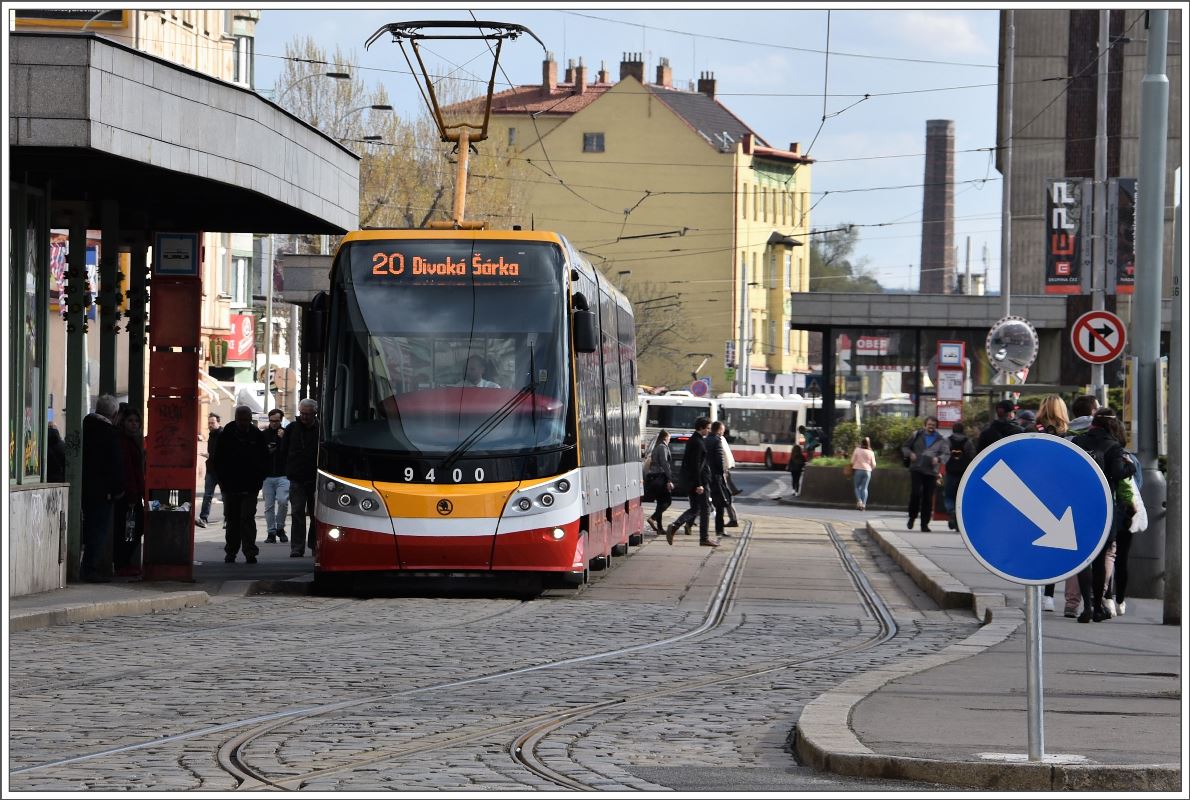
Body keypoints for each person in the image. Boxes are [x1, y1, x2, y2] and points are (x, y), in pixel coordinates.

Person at [1071, 408, 1134, 623]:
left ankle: (1086, 607)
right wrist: (1130, 469)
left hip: (1079, 506)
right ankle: (1098, 606)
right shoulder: (1113, 446)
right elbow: (1117, 473)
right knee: (1099, 560)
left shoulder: (1078, 442)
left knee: (1083, 559)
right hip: (1104, 507)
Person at [1059, 394, 1098, 617]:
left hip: (1068, 500)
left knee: (1074, 553)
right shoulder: (1100, 435)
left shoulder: (1066, 437)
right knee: (1100, 552)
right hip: (1093, 501)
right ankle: (1098, 601)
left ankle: (1071, 603)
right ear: (1093, 411)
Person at [214, 405, 267, 564]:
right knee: (232, 520)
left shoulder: (256, 435)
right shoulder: (226, 435)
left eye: (246, 420)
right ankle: (232, 551)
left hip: (250, 486)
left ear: (250, 419)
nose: (243, 423)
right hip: (231, 486)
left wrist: (258, 482)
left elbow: (263, 460)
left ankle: (249, 551)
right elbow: (218, 460)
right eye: (241, 420)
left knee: (246, 518)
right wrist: (223, 483)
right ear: (236, 419)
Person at [80, 394, 125, 582]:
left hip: (85, 487)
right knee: (98, 530)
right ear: (114, 414)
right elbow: (115, 466)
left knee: (90, 528)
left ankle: (87, 567)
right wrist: (117, 490)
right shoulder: (109, 433)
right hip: (102, 492)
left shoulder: (86, 426)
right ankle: (90, 569)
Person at [1034, 395, 1071, 612]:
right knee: (1054, 545)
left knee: (1034, 543)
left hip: (1035, 491)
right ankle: (1048, 595)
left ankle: (1034, 589)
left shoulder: (1034, 430)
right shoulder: (1068, 435)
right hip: (1059, 494)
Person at [665, 416, 717, 548]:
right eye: (708, 428)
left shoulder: (695, 440)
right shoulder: (697, 442)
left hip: (692, 481)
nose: (709, 431)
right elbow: (696, 465)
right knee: (704, 509)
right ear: (701, 428)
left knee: (695, 508)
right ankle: (704, 538)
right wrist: (699, 483)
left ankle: (675, 526)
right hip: (699, 482)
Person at [283, 398, 321, 558]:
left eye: (307, 414)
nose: (304, 417)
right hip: (297, 478)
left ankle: (313, 545)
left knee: (315, 515)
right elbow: (283, 450)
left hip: (315, 479)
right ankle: (297, 547)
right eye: (302, 413)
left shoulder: (321, 429)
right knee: (297, 512)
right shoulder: (292, 428)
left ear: (315, 413)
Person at [112, 407, 146, 577]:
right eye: (130, 421)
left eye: (136, 421)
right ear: (123, 422)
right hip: (128, 494)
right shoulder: (124, 441)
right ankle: (121, 563)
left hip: (133, 492)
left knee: (131, 528)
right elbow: (128, 470)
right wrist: (133, 493)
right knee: (129, 528)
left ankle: (123, 562)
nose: (134, 424)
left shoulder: (133, 440)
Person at [901, 416, 949, 532]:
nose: (931, 427)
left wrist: (938, 459)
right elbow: (905, 447)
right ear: (925, 425)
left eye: (933, 425)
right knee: (915, 494)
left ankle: (924, 524)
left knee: (928, 498)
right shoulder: (916, 435)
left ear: (936, 426)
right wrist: (910, 454)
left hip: (931, 471)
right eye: (929, 424)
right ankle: (912, 517)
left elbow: (946, 454)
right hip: (916, 468)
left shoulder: (941, 439)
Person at [261, 408, 290, 544]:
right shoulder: (263, 435)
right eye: (271, 421)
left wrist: (283, 439)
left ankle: (280, 527)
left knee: (283, 501)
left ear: (281, 420)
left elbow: (290, 451)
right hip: (267, 476)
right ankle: (271, 532)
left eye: (276, 421)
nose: (274, 423)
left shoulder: (286, 433)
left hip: (283, 474)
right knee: (268, 506)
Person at [942, 423, 975, 530]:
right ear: (963, 430)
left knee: (948, 496)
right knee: (960, 497)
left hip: (951, 472)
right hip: (963, 473)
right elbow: (972, 455)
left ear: (953, 430)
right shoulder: (968, 442)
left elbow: (944, 455)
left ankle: (951, 511)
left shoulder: (947, 441)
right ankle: (958, 522)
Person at [704, 421, 730, 539]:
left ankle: (688, 524)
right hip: (716, 477)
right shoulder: (717, 441)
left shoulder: (705, 440)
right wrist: (722, 473)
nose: (723, 432)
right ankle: (719, 530)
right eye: (722, 429)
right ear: (719, 429)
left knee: (702, 503)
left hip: (705, 475)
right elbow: (719, 459)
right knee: (720, 504)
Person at [645, 430, 674, 533]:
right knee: (667, 501)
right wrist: (670, 478)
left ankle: (660, 528)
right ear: (665, 437)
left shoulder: (657, 446)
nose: (669, 439)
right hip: (660, 477)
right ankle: (652, 518)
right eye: (669, 437)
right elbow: (665, 463)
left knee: (660, 502)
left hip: (655, 477)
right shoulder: (662, 447)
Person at [197, 412, 222, 528]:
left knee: (225, 496)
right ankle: (203, 518)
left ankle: (228, 519)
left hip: (222, 471)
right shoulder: (211, 435)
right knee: (207, 496)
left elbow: (223, 454)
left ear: (218, 422)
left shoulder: (223, 434)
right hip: (211, 471)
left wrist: (209, 456)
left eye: (212, 423)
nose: (210, 425)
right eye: (209, 423)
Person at [719, 426, 740, 527]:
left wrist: (724, 469)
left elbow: (722, 456)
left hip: (720, 472)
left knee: (724, 497)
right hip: (724, 470)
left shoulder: (718, 440)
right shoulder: (722, 439)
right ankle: (733, 519)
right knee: (725, 496)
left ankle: (693, 520)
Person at [850, 436, 876, 511]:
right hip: (868, 471)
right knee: (865, 488)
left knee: (857, 487)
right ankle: (864, 505)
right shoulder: (871, 452)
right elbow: (874, 464)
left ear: (861, 442)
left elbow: (852, 461)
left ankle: (859, 501)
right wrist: (869, 469)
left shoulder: (857, 450)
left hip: (858, 470)